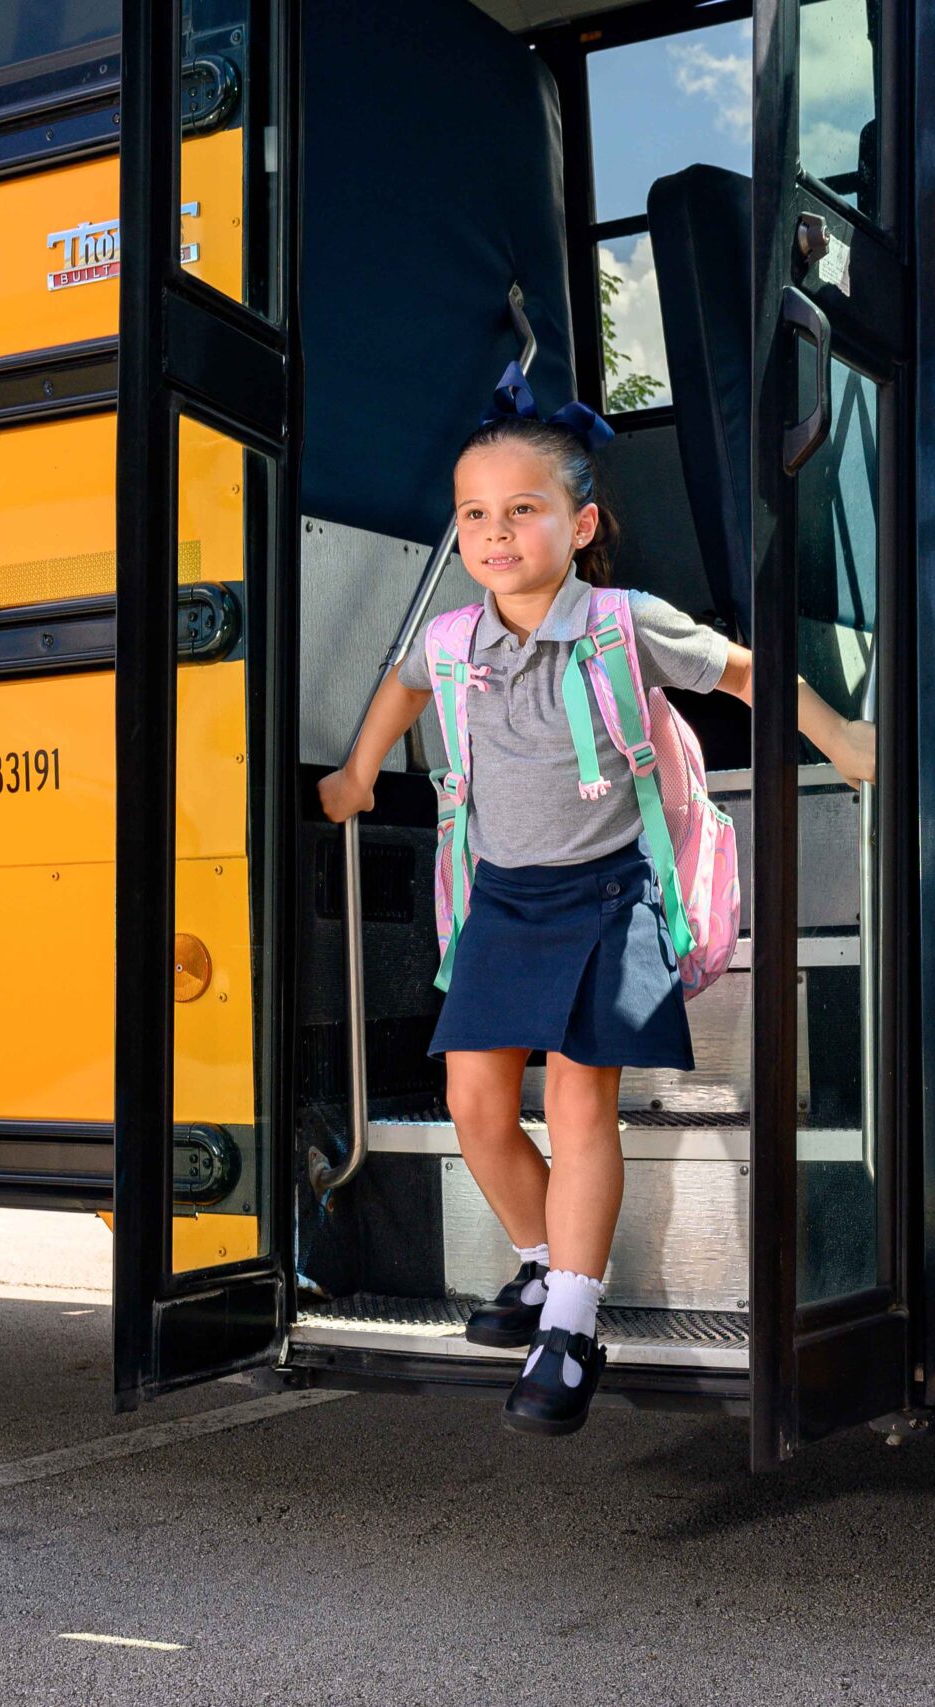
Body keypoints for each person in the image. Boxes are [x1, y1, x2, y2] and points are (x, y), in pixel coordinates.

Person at [317, 373, 874, 1436]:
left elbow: (748, 674)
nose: (494, 532)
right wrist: (355, 774)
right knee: (478, 1110)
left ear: (579, 525)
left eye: (522, 509)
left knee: (577, 1110)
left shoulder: (624, 625)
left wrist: (842, 740)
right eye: (474, 514)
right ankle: (537, 1266)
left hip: (609, 895)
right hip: (499, 902)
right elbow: (400, 685)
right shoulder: (451, 643)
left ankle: (571, 1326)